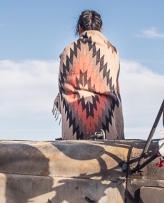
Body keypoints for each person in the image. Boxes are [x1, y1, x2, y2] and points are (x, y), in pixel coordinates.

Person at [53, 10, 124, 140]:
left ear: (79, 27)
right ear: (101, 28)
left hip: (74, 123)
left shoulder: (68, 51)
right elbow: (114, 86)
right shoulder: (112, 52)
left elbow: (63, 87)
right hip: (106, 123)